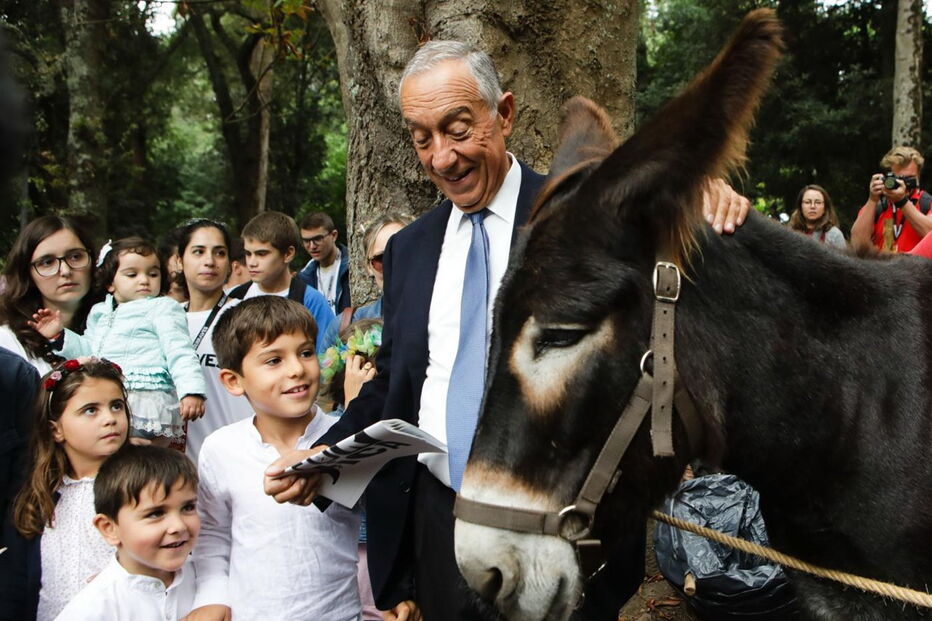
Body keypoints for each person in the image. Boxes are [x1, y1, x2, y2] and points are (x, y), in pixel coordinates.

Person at [264, 41, 750, 621]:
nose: (441, 157)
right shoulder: (410, 251)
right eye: (422, 138)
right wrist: (327, 453)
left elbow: (676, 299)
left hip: (562, 521)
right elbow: (397, 379)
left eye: (458, 129)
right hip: (443, 525)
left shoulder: (581, 217)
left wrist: (698, 197)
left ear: (506, 114)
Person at [189, 296, 361, 621]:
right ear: (233, 381)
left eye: (306, 353)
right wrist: (212, 598)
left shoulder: (345, 439)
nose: (297, 369)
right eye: (273, 361)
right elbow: (212, 534)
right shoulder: (221, 449)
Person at [30, 237, 206, 446]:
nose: (144, 280)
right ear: (110, 283)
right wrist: (59, 335)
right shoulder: (100, 312)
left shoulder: (163, 307)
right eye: (132, 274)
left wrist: (191, 390)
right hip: (110, 397)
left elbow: (180, 350)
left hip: (145, 397)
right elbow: (88, 351)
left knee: (137, 455)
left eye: (153, 273)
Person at [0, 359, 129, 621]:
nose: (110, 419)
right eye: (91, 410)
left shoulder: (143, 484)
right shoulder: (37, 495)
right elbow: (14, 584)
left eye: (117, 406)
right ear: (55, 429)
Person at [54, 445, 200, 621]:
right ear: (109, 528)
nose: (178, 526)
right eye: (156, 513)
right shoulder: (92, 609)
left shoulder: (209, 578)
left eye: (188, 507)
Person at [319, 318, 382, 620]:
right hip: (346, 549)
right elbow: (337, 483)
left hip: (379, 549)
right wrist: (354, 405)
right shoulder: (330, 424)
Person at [176, 219, 254, 462]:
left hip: (234, 458)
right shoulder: (166, 318)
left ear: (230, 264)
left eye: (219, 253)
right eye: (198, 251)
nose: (209, 261)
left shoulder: (245, 317)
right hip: (176, 465)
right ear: (179, 261)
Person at [0, 215, 96, 375]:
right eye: (47, 262)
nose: (65, 271)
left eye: (75, 256)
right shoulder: (8, 342)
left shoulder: (116, 326)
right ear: (28, 274)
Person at [227, 211, 335, 351]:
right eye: (248, 254)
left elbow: (328, 360)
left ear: (288, 254)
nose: (252, 263)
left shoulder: (310, 300)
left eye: (261, 254)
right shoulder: (236, 297)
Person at [318, 212, 413, 350]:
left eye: (404, 255)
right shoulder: (342, 326)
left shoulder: (446, 318)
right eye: (382, 259)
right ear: (368, 266)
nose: (394, 266)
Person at [851, 146, 932, 253]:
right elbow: (857, 244)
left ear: (918, 177)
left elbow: (929, 233)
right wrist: (872, 200)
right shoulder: (879, 207)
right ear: (888, 177)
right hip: (885, 268)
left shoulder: (927, 203)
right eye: (899, 178)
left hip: (918, 268)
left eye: (909, 178)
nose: (903, 183)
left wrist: (902, 202)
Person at [297, 212, 351, 314]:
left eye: (318, 239)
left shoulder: (351, 267)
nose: (312, 246)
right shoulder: (303, 277)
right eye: (306, 241)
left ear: (334, 235)